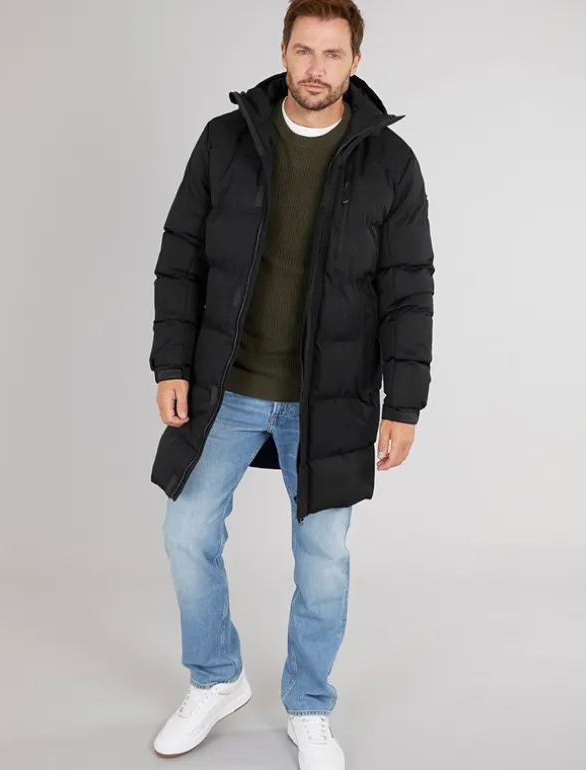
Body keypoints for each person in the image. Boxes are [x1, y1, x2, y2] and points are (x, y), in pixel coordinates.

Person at [147, 1, 435, 767]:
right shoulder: (226, 141)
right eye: (304, 51)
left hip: (329, 398)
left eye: (332, 54)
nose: (316, 68)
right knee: (186, 531)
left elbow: (409, 291)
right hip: (227, 387)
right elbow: (181, 255)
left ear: (355, 63)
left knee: (324, 559)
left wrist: (404, 405)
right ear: (283, 51)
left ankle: (309, 705)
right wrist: (171, 364)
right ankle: (217, 677)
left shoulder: (389, 163)